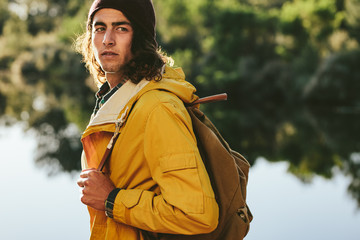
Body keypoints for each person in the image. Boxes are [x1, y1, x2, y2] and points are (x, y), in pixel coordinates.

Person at [76, 0, 219, 239]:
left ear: (141, 39)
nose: (107, 39)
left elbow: (198, 214)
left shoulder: (158, 108)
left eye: (121, 28)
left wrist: (112, 199)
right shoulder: (115, 99)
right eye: (99, 28)